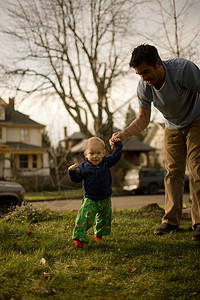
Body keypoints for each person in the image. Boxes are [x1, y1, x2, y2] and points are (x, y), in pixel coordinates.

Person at [110, 44, 200, 241]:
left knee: (197, 169)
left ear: (158, 63)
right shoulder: (144, 87)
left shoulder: (183, 70)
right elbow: (143, 119)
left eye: (146, 72)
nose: (143, 78)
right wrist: (123, 134)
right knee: (172, 172)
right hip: (172, 125)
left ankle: (199, 222)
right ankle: (171, 220)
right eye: (139, 74)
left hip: (197, 119)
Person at [68, 136, 123, 248]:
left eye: (98, 153)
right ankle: (78, 238)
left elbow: (116, 156)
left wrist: (118, 144)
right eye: (91, 153)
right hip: (90, 198)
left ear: (103, 153)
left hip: (105, 198)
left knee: (104, 219)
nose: (95, 156)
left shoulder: (106, 163)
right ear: (85, 154)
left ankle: (99, 236)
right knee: (85, 217)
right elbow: (76, 179)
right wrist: (72, 172)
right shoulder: (83, 167)